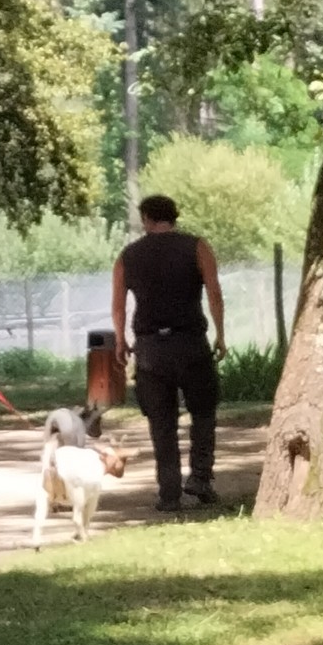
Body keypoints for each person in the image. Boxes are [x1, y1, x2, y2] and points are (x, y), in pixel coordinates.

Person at [111, 194, 226, 511]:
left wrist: (121, 341)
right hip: (191, 342)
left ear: (147, 218)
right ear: (173, 217)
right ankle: (200, 478)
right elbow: (214, 293)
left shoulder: (128, 256)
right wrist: (221, 334)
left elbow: (119, 306)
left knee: (161, 423)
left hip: (150, 348)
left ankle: (169, 493)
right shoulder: (197, 247)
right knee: (203, 412)